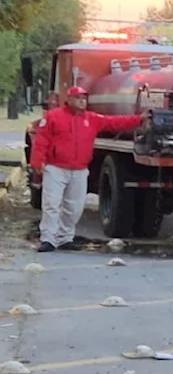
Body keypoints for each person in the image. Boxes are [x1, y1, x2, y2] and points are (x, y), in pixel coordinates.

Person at [30, 86, 150, 252]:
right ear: (69, 99)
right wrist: (38, 162)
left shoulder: (92, 119)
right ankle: (48, 239)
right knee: (51, 204)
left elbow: (114, 122)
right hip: (55, 168)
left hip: (79, 169)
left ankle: (65, 238)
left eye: (84, 98)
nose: (82, 101)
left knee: (74, 206)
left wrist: (138, 119)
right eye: (78, 98)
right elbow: (42, 140)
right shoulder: (53, 117)